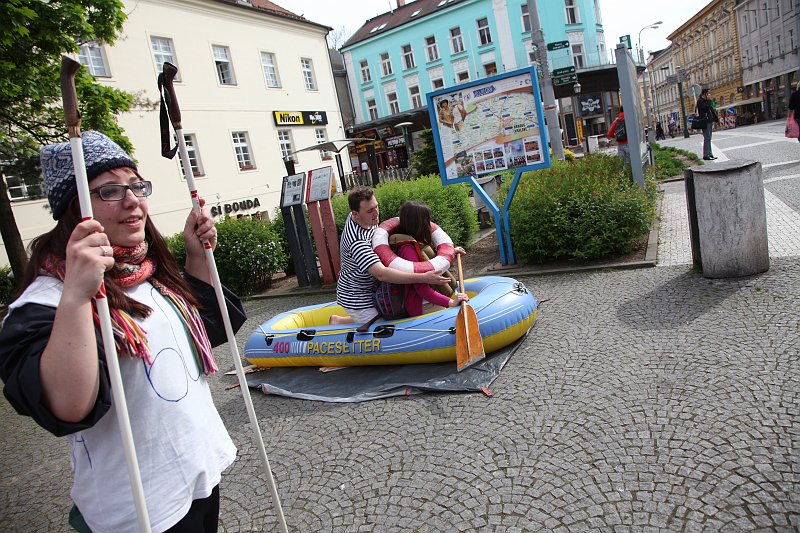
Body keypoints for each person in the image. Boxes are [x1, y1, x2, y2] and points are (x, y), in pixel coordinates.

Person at [0, 131, 246, 533]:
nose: (132, 200)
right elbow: (69, 406)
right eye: (110, 191)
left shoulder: (148, 271)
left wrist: (197, 257)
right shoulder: (44, 304)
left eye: (136, 186)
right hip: (138, 508)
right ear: (75, 208)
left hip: (198, 474)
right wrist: (77, 295)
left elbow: (205, 330)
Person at [330, 186, 450, 325]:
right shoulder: (358, 242)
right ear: (355, 214)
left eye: (376, 206)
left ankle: (340, 320)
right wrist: (423, 277)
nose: (376, 213)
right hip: (358, 296)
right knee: (384, 327)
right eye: (370, 211)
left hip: (375, 287)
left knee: (389, 312)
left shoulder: (365, 218)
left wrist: (446, 251)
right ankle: (341, 322)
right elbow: (382, 274)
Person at [395, 201, 468, 317]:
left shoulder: (418, 242)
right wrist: (451, 303)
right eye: (427, 220)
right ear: (419, 224)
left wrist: (451, 253)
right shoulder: (407, 250)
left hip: (431, 299)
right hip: (424, 304)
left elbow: (433, 264)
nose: (430, 224)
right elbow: (421, 289)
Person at [696, 88, 718, 160]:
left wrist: (715, 119)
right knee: (707, 138)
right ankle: (706, 155)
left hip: (709, 121)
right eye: (708, 93)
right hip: (704, 122)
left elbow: (711, 110)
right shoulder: (700, 101)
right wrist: (709, 100)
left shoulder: (706, 101)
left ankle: (710, 153)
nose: (709, 95)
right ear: (704, 94)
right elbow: (705, 108)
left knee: (709, 138)